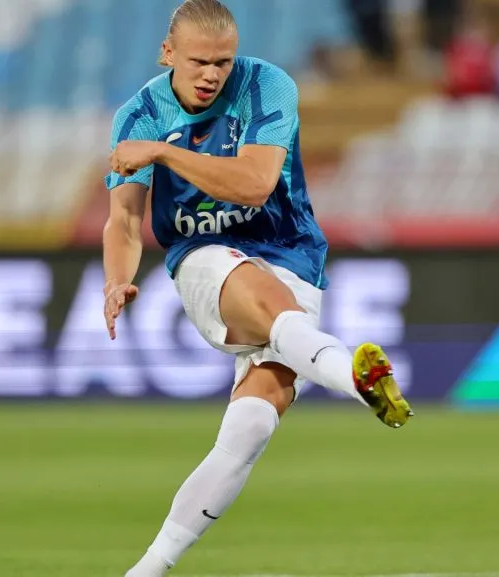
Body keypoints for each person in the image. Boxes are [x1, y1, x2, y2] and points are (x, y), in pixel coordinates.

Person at [101, 2, 414, 575]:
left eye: (222, 61)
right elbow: (124, 220)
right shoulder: (140, 114)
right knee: (253, 289)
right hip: (201, 255)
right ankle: (356, 379)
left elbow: (254, 184)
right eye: (198, 61)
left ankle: (145, 570)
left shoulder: (268, 85)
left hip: (292, 251)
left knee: (249, 427)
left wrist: (167, 152)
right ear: (167, 53)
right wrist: (117, 278)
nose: (211, 75)